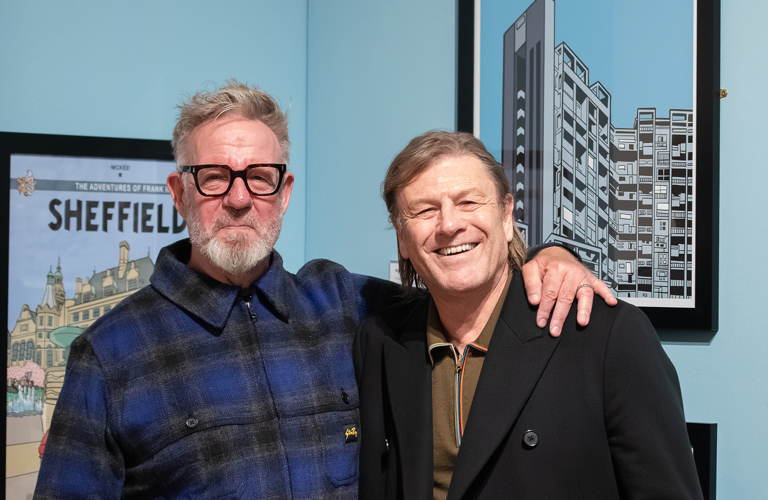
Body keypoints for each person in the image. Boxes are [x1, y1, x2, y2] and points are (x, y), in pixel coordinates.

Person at [34, 81, 612, 499]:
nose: (239, 198)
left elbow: (459, 278)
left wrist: (545, 254)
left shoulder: (345, 306)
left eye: (259, 177)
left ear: (283, 192)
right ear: (179, 192)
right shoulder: (109, 357)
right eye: (213, 177)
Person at [354, 131, 703, 499]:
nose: (449, 225)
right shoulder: (381, 342)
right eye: (424, 210)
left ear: (506, 216)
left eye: (469, 201)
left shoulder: (604, 336)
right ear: (402, 239)